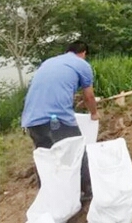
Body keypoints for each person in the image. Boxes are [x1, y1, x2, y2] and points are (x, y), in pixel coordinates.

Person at [21, 40, 99, 201]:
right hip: (56, 119)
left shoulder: (50, 62)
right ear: (83, 53)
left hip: (31, 120)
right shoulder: (81, 64)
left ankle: (49, 196)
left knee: (46, 157)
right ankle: (86, 191)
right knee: (75, 150)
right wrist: (94, 113)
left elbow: (54, 88)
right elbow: (89, 96)